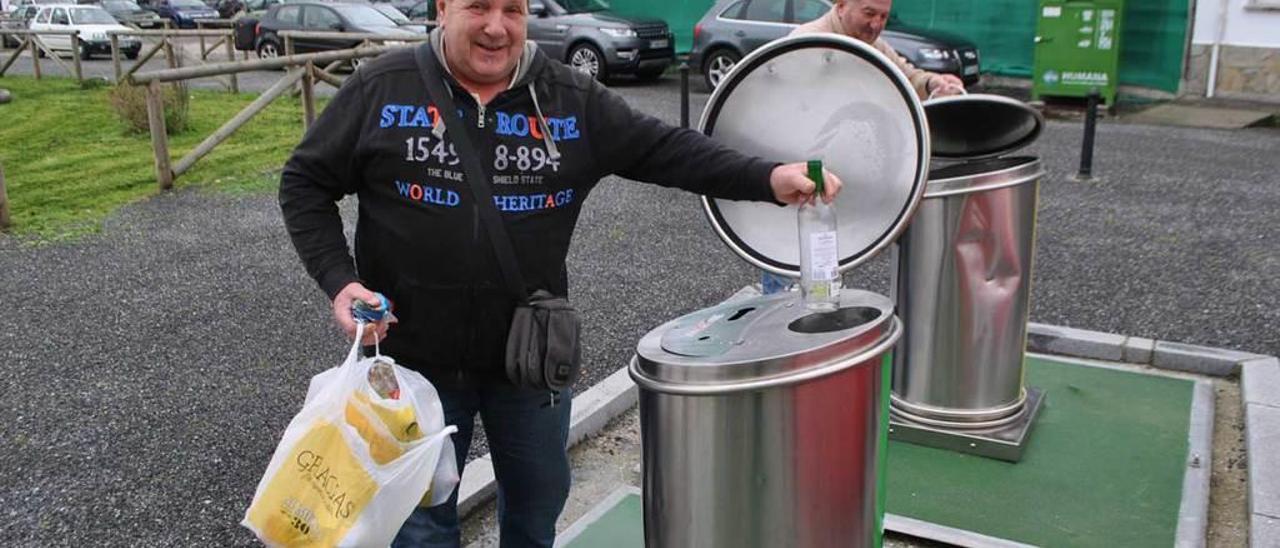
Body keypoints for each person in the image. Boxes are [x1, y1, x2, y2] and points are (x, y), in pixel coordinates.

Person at [277, 0, 843, 545]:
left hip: (528, 360)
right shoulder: (382, 86)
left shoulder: (570, 99)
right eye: (479, 7)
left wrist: (766, 179)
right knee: (420, 527)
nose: (497, 27)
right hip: (410, 361)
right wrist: (339, 280)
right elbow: (305, 182)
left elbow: (668, 150)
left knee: (535, 510)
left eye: (514, 11)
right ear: (442, 7)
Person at [790, 0, 966, 100]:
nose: (876, 24)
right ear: (842, 6)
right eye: (869, 13)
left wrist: (933, 83)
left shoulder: (875, 46)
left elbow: (906, 77)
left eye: (883, 17)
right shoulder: (806, 42)